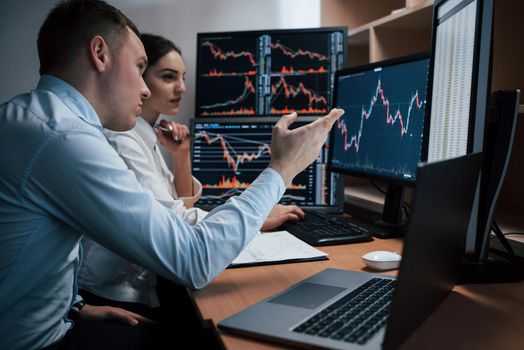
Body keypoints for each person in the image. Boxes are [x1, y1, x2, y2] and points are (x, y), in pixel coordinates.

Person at [0, 0, 344, 349]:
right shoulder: (64, 137)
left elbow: (26, 253)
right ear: (100, 53)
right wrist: (282, 169)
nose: (146, 89)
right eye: (139, 67)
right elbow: (194, 260)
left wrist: (73, 308)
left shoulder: (29, 117)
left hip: (55, 322)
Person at [77, 33, 304, 345]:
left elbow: (172, 208)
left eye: (182, 78)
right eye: (168, 77)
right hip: (120, 292)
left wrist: (181, 156)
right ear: (139, 77)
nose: (181, 88)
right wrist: (258, 215)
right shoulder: (123, 139)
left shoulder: (147, 133)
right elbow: (176, 221)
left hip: (143, 284)